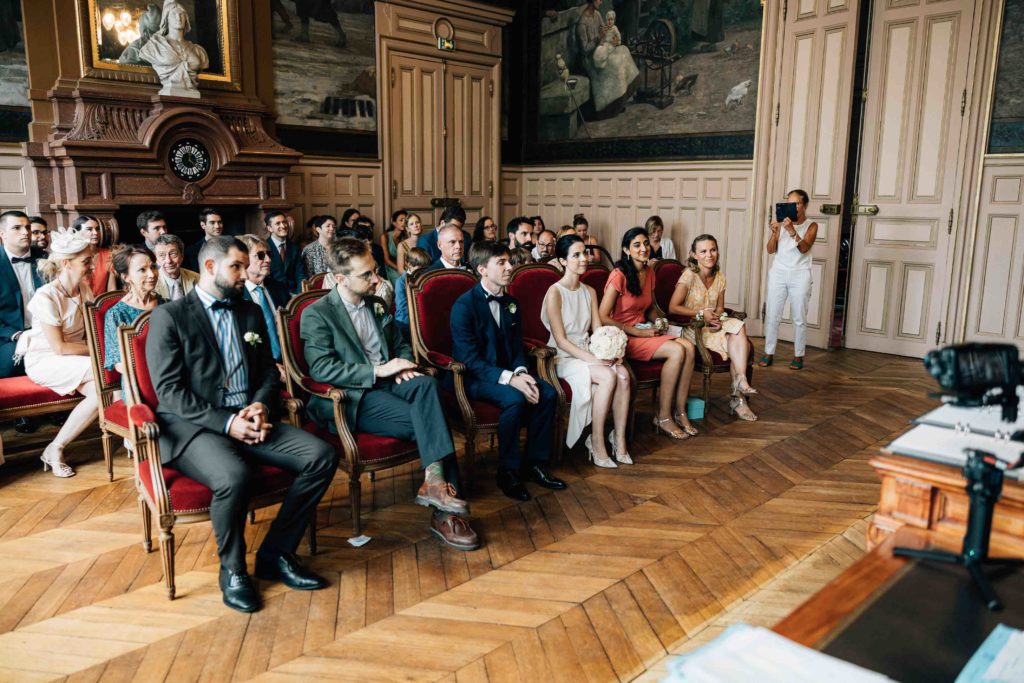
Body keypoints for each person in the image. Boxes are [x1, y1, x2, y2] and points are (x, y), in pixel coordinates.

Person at [146, 235, 337, 613]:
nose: (245, 272)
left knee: (322, 455)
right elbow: (169, 393)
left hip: (251, 417)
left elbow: (268, 370)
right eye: (237, 266)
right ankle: (233, 570)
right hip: (196, 427)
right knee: (234, 476)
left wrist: (261, 407)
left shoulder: (249, 310)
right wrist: (228, 422)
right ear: (211, 267)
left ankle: (276, 553)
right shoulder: (170, 316)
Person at [301, 238, 479, 550]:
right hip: (353, 395)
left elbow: (399, 342)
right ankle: (444, 513)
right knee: (432, 420)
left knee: (425, 384)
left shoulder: (376, 304)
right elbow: (322, 369)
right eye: (366, 275)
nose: (376, 279)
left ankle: (436, 487)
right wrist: (378, 371)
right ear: (341, 278)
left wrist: (404, 364)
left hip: (391, 380)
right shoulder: (316, 313)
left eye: (375, 271)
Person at [450, 241, 566, 501]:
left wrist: (522, 372)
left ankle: (535, 463)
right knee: (514, 399)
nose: (510, 267)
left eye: (509, 261)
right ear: (482, 269)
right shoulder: (464, 306)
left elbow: (515, 347)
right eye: (501, 262)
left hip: (507, 371)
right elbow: (469, 359)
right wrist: (511, 379)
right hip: (475, 377)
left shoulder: (511, 302)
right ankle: (508, 472)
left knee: (545, 392)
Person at [599, 227, 698, 440]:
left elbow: (651, 309)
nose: (643, 248)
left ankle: (680, 411)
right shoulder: (618, 275)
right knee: (677, 351)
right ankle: (662, 416)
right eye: (637, 245)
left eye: (645, 243)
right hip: (624, 336)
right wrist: (633, 330)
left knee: (689, 347)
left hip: (644, 330)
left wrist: (659, 320)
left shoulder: (650, 272)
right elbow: (603, 316)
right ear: (627, 250)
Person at [542, 234, 631, 467]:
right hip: (563, 357)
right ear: (562, 260)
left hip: (587, 352)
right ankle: (597, 441)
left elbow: (598, 331)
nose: (584, 259)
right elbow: (560, 340)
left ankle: (619, 439)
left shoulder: (589, 291)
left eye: (585, 253)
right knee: (609, 375)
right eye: (576, 255)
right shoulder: (555, 293)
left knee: (622, 374)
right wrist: (595, 360)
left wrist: (609, 350)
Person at [15, 228, 99, 478]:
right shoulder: (46, 296)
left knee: (104, 389)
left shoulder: (84, 290)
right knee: (105, 376)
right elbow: (60, 347)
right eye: (86, 261)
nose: (92, 265)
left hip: (77, 356)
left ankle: (55, 447)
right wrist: (100, 352)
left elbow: (89, 333)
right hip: (46, 359)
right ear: (66, 263)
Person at [669, 234, 757, 421]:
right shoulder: (689, 276)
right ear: (694, 255)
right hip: (694, 328)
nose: (709, 255)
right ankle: (738, 398)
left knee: (739, 329)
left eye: (713, 250)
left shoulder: (720, 277)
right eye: (703, 251)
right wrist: (701, 314)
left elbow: (719, 308)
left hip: (712, 326)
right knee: (741, 345)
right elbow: (673, 307)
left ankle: (740, 382)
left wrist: (717, 319)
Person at [761, 189, 818, 370]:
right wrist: (774, 232)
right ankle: (769, 352)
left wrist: (792, 231)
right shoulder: (781, 223)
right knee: (772, 314)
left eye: (797, 203)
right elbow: (770, 250)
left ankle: (798, 356)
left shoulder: (811, 225)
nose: (793, 207)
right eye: (790, 203)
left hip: (800, 273)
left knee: (799, 317)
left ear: (805, 205)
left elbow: (804, 248)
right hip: (778, 272)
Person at [103, 245, 161, 377]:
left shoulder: (166, 305)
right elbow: (119, 364)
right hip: (138, 380)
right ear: (125, 277)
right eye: (142, 270)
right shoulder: (116, 314)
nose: (152, 274)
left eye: (153, 267)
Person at [1, 211, 45, 380]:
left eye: (27, 227)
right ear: (2, 234)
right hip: (9, 337)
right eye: (17, 228)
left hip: (46, 331)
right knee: (12, 365)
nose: (25, 232)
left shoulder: (45, 258)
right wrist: (17, 335)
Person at [576, 0, 639, 118]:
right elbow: (584, 50)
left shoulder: (597, 15)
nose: (601, 1)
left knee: (624, 50)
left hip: (602, 50)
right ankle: (610, 107)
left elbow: (606, 31)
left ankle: (621, 101)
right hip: (590, 59)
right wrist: (597, 38)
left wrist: (613, 39)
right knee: (616, 63)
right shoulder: (582, 23)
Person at [238, 234, 288, 365]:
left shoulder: (279, 288)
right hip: (257, 365)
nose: (268, 259)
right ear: (244, 259)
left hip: (288, 360)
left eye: (269, 254)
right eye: (260, 255)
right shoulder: (235, 295)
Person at [394, 247, 432, 340]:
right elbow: (402, 308)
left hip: (421, 318)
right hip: (405, 321)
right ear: (409, 264)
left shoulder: (424, 279)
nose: (422, 272)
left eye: (425, 269)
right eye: (419, 268)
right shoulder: (401, 282)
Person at [72, 215, 115, 295]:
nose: (95, 233)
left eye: (97, 229)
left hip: (102, 303)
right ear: (77, 232)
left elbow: (111, 289)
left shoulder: (108, 254)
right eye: (89, 229)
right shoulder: (73, 257)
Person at [265, 211, 306, 294]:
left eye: (284, 222)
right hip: (273, 294)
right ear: (270, 228)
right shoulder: (264, 248)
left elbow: (300, 274)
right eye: (278, 223)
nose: (283, 226)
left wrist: (299, 296)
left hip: (294, 293)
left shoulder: (295, 248)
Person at [153, 234, 198, 302]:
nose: (168, 260)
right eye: (162, 255)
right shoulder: (152, 283)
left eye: (173, 254)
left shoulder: (197, 278)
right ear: (156, 260)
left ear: (182, 256)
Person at [184, 207, 224, 272]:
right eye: (212, 222)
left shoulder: (231, 247)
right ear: (203, 225)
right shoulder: (192, 251)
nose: (217, 226)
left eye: (220, 222)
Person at [381, 209, 407, 283]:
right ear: (394, 223)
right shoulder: (385, 236)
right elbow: (387, 260)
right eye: (401, 220)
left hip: (404, 266)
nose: (403, 223)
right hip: (392, 267)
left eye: (405, 221)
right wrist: (400, 269)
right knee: (400, 278)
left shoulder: (406, 237)